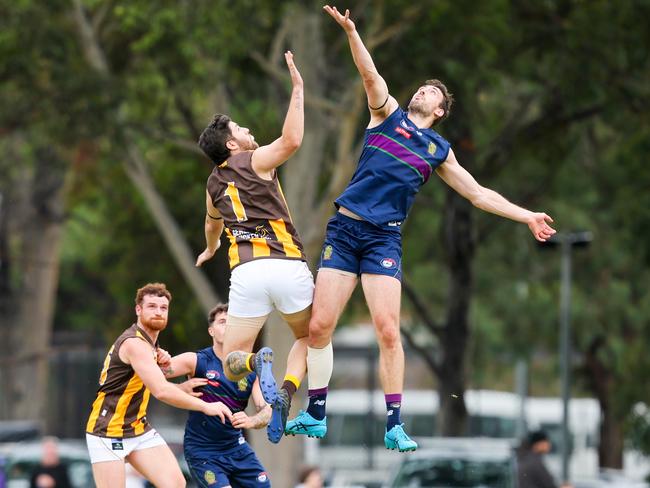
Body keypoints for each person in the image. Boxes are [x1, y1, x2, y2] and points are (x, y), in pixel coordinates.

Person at [286, 5, 557, 452]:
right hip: (344, 231)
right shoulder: (385, 116)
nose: (423, 91)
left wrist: (525, 215)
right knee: (319, 327)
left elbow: (478, 194)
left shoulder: (438, 149)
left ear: (441, 109)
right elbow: (371, 76)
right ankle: (316, 413)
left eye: (432, 92)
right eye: (423, 87)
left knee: (388, 331)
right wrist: (353, 33)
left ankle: (394, 423)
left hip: (382, 239)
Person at [195, 51, 312, 443]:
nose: (248, 131)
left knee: (231, 364)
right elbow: (293, 139)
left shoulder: (213, 185)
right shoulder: (253, 159)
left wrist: (210, 250)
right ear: (233, 143)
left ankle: (256, 361)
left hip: (245, 275)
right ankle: (288, 394)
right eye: (242, 128)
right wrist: (297, 89)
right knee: (310, 338)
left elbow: (212, 225)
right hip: (287, 265)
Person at [85, 283, 232, 488]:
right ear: (138, 310)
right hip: (107, 430)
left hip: (137, 428)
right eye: (152, 306)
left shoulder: (151, 345)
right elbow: (161, 390)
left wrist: (180, 389)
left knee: (175, 483)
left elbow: (143, 386)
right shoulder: (135, 344)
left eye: (163, 308)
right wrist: (207, 406)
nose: (158, 312)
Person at [163, 303, 273, 487]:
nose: (228, 327)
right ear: (211, 331)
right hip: (203, 451)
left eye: (233, 324)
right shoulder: (197, 360)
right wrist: (180, 388)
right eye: (222, 322)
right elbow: (149, 374)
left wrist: (252, 421)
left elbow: (266, 410)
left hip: (237, 448)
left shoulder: (250, 369)